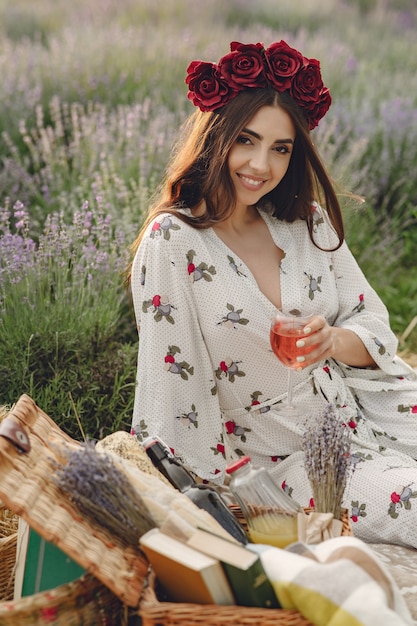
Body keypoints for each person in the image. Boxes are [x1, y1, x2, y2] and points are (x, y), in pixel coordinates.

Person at [128, 40, 417, 548]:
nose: (262, 164)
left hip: (370, 412)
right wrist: (225, 511)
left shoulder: (303, 222)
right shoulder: (173, 243)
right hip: (288, 462)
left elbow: (369, 321)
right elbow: (172, 392)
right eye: (246, 140)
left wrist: (331, 342)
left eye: (281, 148)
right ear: (215, 136)